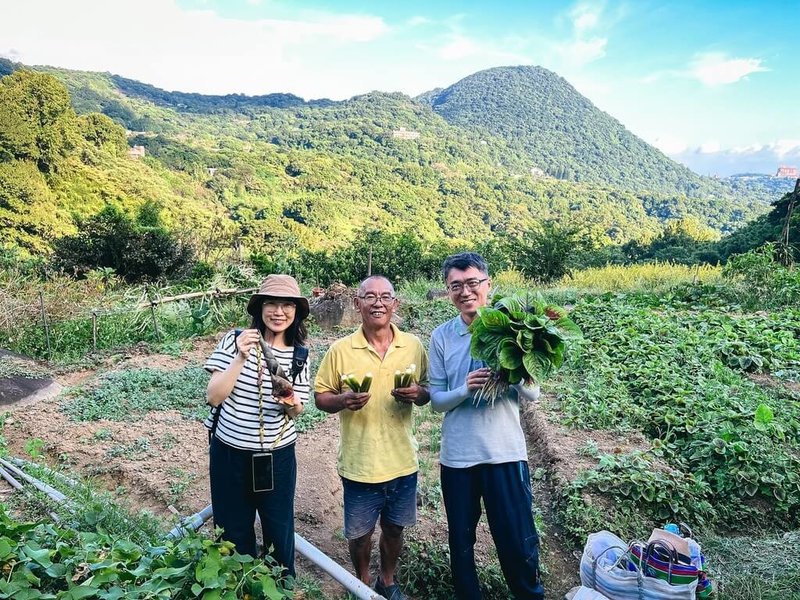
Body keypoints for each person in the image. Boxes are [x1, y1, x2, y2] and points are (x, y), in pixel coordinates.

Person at [429, 252, 544, 600]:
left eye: (472, 283)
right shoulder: (442, 337)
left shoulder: (513, 329)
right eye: (456, 286)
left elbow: (533, 393)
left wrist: (512, 372)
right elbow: (436, 401)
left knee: (517, 537)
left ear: (487, 286)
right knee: (461, 541)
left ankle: (529, 594)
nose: (465, 292)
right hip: (459, 457)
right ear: (448, 291)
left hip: (504, 453)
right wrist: (466, 388)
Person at [314, 275, 429, 600]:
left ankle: (387, 581)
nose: (378, 302)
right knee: (360, 534)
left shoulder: (413, 346)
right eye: (369, 296)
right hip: (360, 462)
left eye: (385, 297)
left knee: (395, 528)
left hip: (402, 460)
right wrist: (342, 401)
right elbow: (321, 397)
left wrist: (419, 393)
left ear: (395, 304)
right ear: (356, 303)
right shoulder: (340, 350)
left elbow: (427, 392)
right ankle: (362, 582)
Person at [204, 274, 310, 578]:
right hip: (230, 454)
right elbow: (214, 396)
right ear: (259, 308)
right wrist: (240, 357)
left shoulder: (300, 354)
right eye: (271, 304)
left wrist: (289, 399)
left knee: (279, 530)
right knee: (233, 533)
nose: (279, 312)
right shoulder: (234, 340)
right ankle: (240, 587)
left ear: (297, 311)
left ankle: (281, 589)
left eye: (287, 305)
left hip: (277, 457)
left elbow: (298, 411)